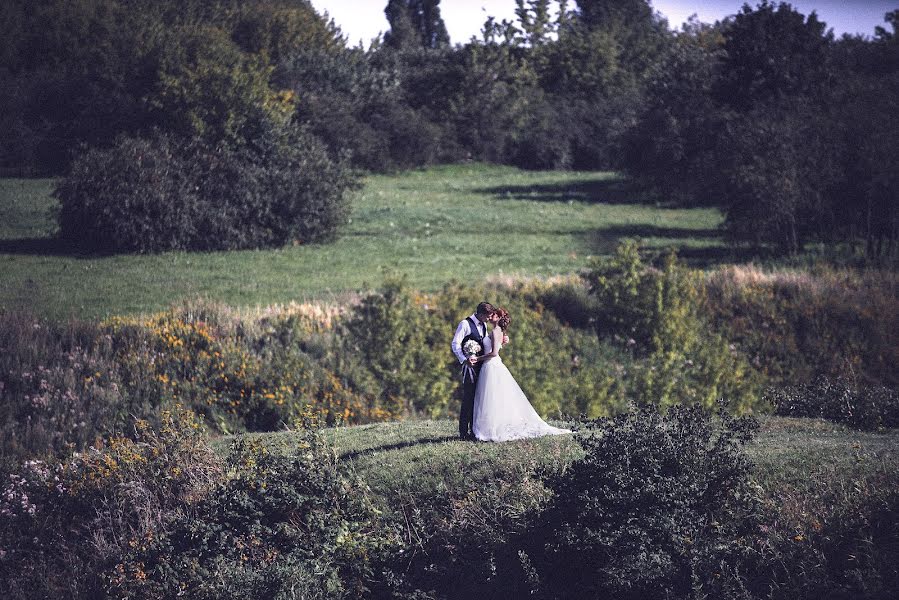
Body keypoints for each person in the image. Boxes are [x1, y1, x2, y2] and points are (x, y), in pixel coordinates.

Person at [471, 308, 571, 442]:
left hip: (491, 365)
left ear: (500, 318)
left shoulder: (496, 331)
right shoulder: (498, 331)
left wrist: (478, 358)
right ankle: (491, 426)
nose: (491, 316)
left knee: (491, 397)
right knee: (493, 397)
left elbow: (494, 353)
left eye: (494, 315)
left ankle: (492, 428)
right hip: (490, 365)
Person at [451, 302, 497, 440]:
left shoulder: (483, 324)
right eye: (488, 316)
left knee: (478, 399)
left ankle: (474, 430)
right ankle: (463, 432)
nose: (489, 319)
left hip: (481, 366)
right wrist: (464, 359)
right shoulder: (465, 324)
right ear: (481, 314)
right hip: (469, 367)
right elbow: (455, 343)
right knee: (468, 398)